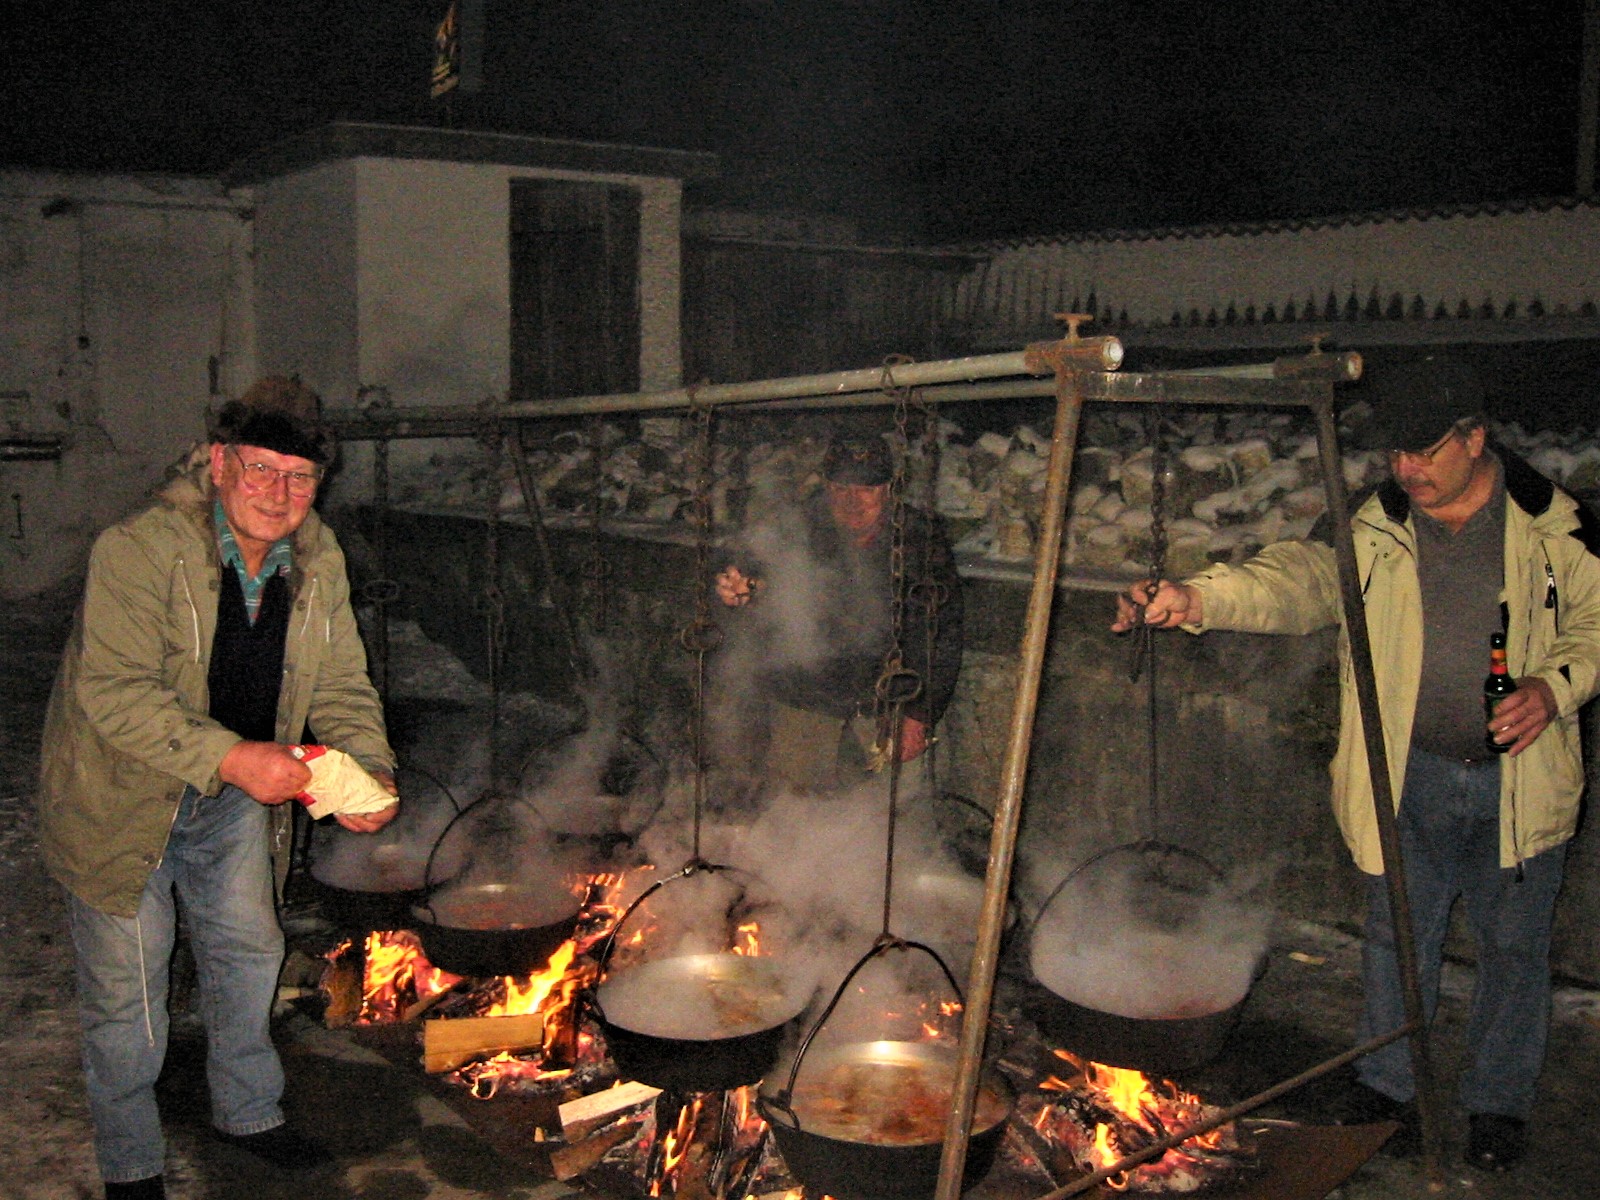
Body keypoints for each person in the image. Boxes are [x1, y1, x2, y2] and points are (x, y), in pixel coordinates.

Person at [1111, 355, 1600, 1171]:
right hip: (1402, 770)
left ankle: (1497, 1107)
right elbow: (1298, 580)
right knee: (1393, 937)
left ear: (1475, 440)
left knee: (1514, 953)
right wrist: (1198, 599)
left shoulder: (1557, 525)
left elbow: (1594, 623)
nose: (1405, 469)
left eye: (1423, 452)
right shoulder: (1374, 521)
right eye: (1394, 455)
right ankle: (1386, 1085)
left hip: (1521, 781)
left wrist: (1554, 689)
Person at [37, 377, 400, 1200]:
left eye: (300, 477)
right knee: (130, 998)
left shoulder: (318, 554)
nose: (280, 493)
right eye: (263, 470)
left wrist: (371, 769)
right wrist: (238, 758)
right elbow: (115, 693)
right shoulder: (138, 548)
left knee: (248, 954)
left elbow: (343, 679)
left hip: (236, 798)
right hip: (121, 798)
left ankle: (249, 1113)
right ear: (223, 464)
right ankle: (132, 1167)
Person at [714, 436, 964, 794]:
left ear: (888, 488)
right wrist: (734, 582)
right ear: (827, 485)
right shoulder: (799, 525)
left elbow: (943, 629)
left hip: (888, 701)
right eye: (842, 487)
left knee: (899, 812)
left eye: (867, 489)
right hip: (806, 698)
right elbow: (746, 560)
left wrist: (920, 714)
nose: (853, 501)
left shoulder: (920, 537)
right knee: (795, 805)